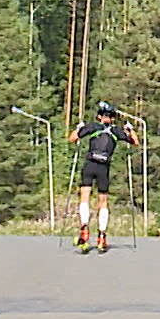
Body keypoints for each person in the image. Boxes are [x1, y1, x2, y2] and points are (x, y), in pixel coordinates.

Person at [67, 102, 137, 254]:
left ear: (99, 116)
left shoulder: (93, 127)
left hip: (90, 164)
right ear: (112, 118)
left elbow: (72, 138)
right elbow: (135, 142)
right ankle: (102, 237)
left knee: (84, 197)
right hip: (103, 167)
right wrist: (130, 130)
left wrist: (79, 128)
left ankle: (84, 227)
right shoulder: (116, 131)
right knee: (103, 202)